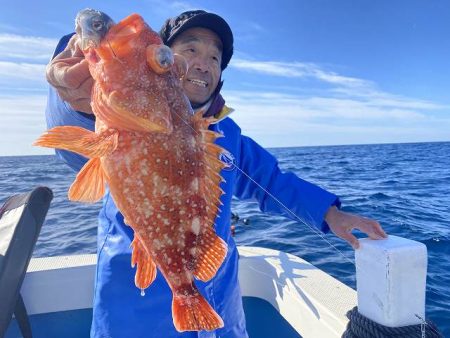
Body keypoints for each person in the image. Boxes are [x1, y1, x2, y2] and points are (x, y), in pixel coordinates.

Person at [45, 9, 387, 338]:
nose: (204, 63)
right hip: (134, 313)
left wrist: (331, 214)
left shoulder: (228, 135)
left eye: (214, 58)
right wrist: (73, 95)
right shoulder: (113, 111)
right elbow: (71, 136)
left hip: (222, 308)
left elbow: (271, 182)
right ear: (168, 61)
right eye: (190, 49)